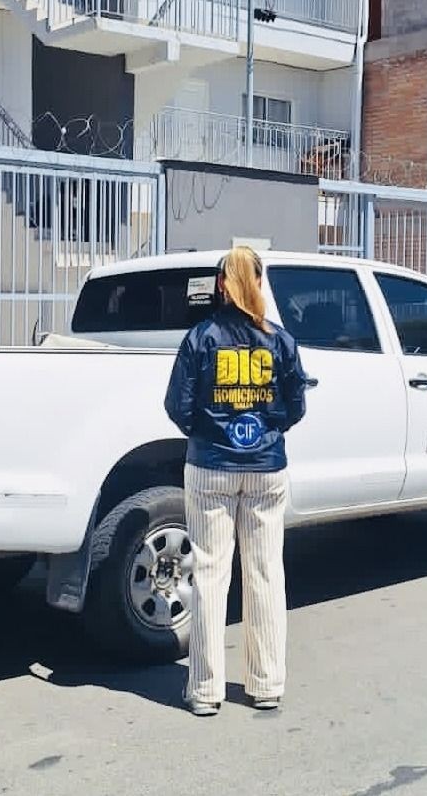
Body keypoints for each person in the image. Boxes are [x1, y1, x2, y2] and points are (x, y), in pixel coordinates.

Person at [164, 246, 309, 716]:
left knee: (209, 575)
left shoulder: (201, 337)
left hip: (211, 467)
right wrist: (267, 430)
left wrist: (208, 433)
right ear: (260, 283)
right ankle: (266, 684)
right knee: (265, 573)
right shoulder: (280, 341)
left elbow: (177, 405)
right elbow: (296, 405)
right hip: (266, 467)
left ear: (222, 285)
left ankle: (206, 690)